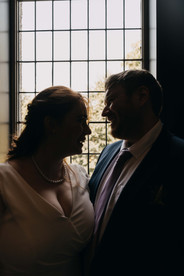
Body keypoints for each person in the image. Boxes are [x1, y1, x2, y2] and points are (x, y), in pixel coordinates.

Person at [87, 69, 184, 276]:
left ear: (142, 96)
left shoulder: (179, 158)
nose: (104, 112)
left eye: (111, 100)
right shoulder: (107, 153)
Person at [0, 86, 94, 276]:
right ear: (51, 124)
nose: (88, 130)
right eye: (80, 120)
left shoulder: (81, 176)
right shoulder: (4, 181)